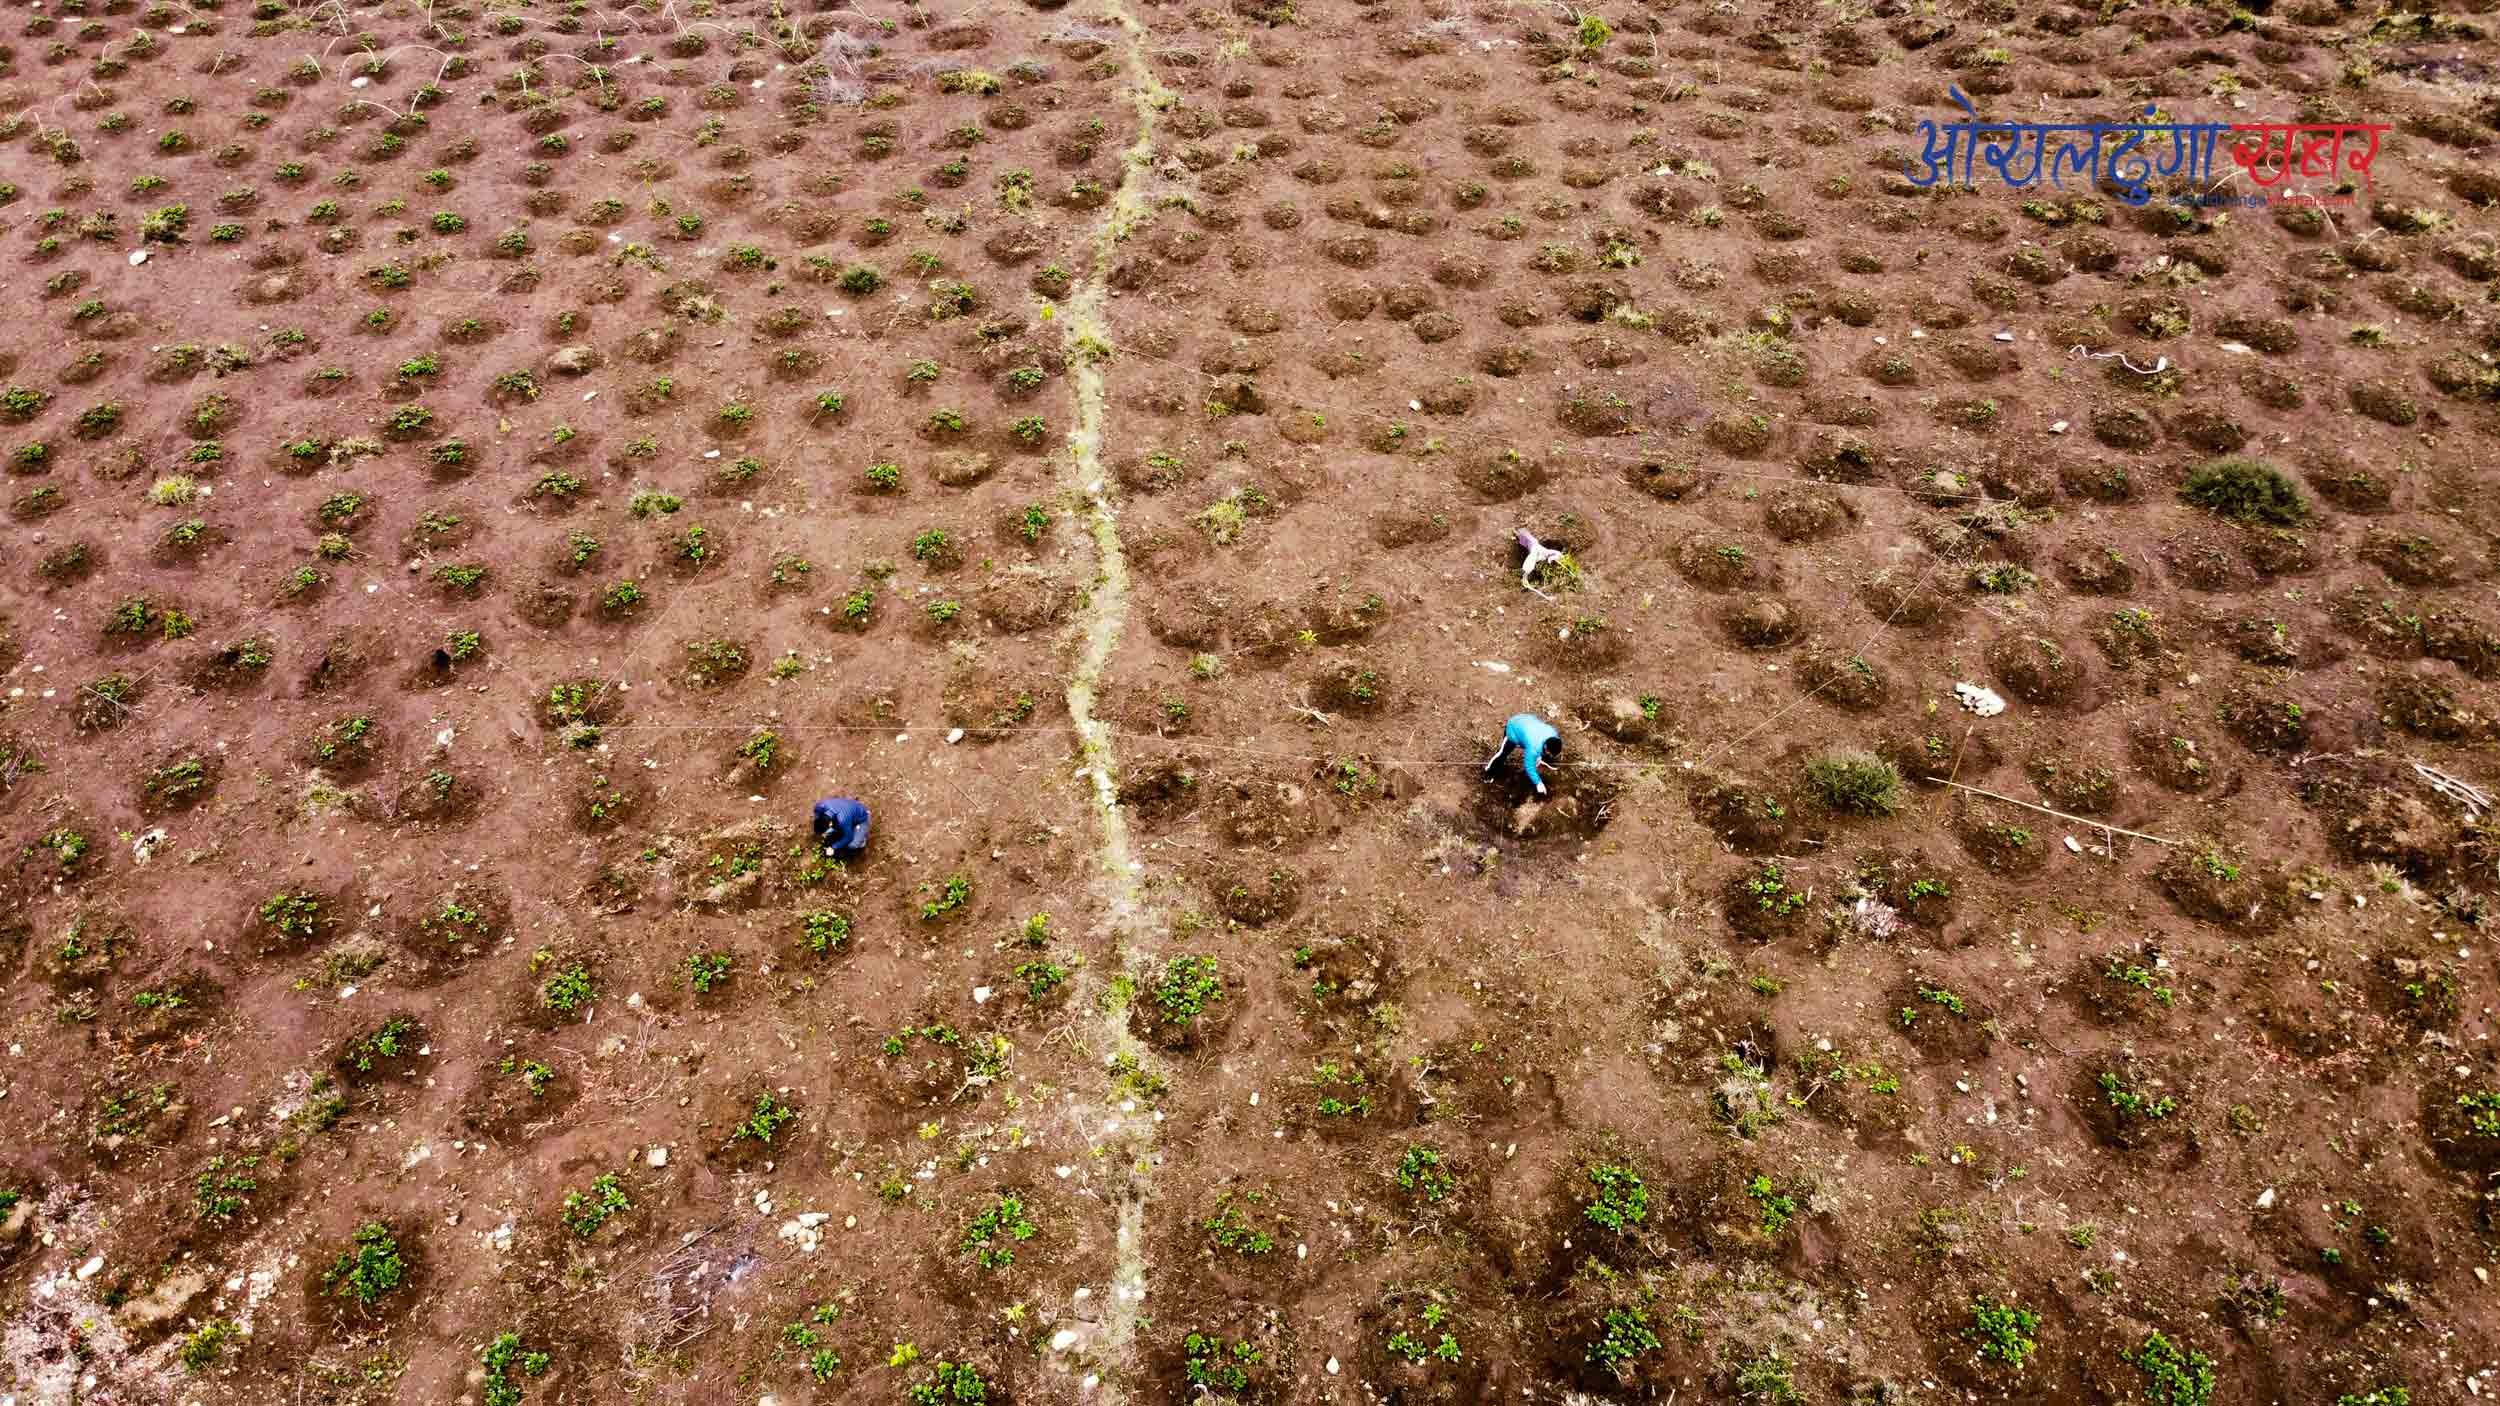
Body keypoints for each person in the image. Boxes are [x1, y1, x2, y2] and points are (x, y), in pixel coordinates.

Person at [1482, 713, 1561, 797]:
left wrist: (1539, 757)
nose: (1549, 755)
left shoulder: (1553, 733)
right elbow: (1529, 766)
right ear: (1545, 746)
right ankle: (1489, 772)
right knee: (1503, 753)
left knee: (1538, 752)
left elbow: (1544, 748)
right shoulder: (1533, 747)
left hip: (1527, 720)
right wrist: (1538, 783)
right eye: (1549, 753)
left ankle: (1540, 756)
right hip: (1513, 728)